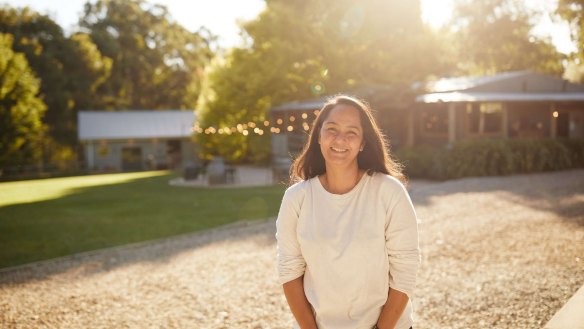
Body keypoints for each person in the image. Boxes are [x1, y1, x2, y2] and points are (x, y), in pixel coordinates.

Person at [275, 95, 420, 329]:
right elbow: (289, 270)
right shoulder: (296, 199)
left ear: (363, 143)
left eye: (352, 132)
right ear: (319, 136)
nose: (340, 139)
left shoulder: (388, 191)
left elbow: (405, 269)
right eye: (331, 129)